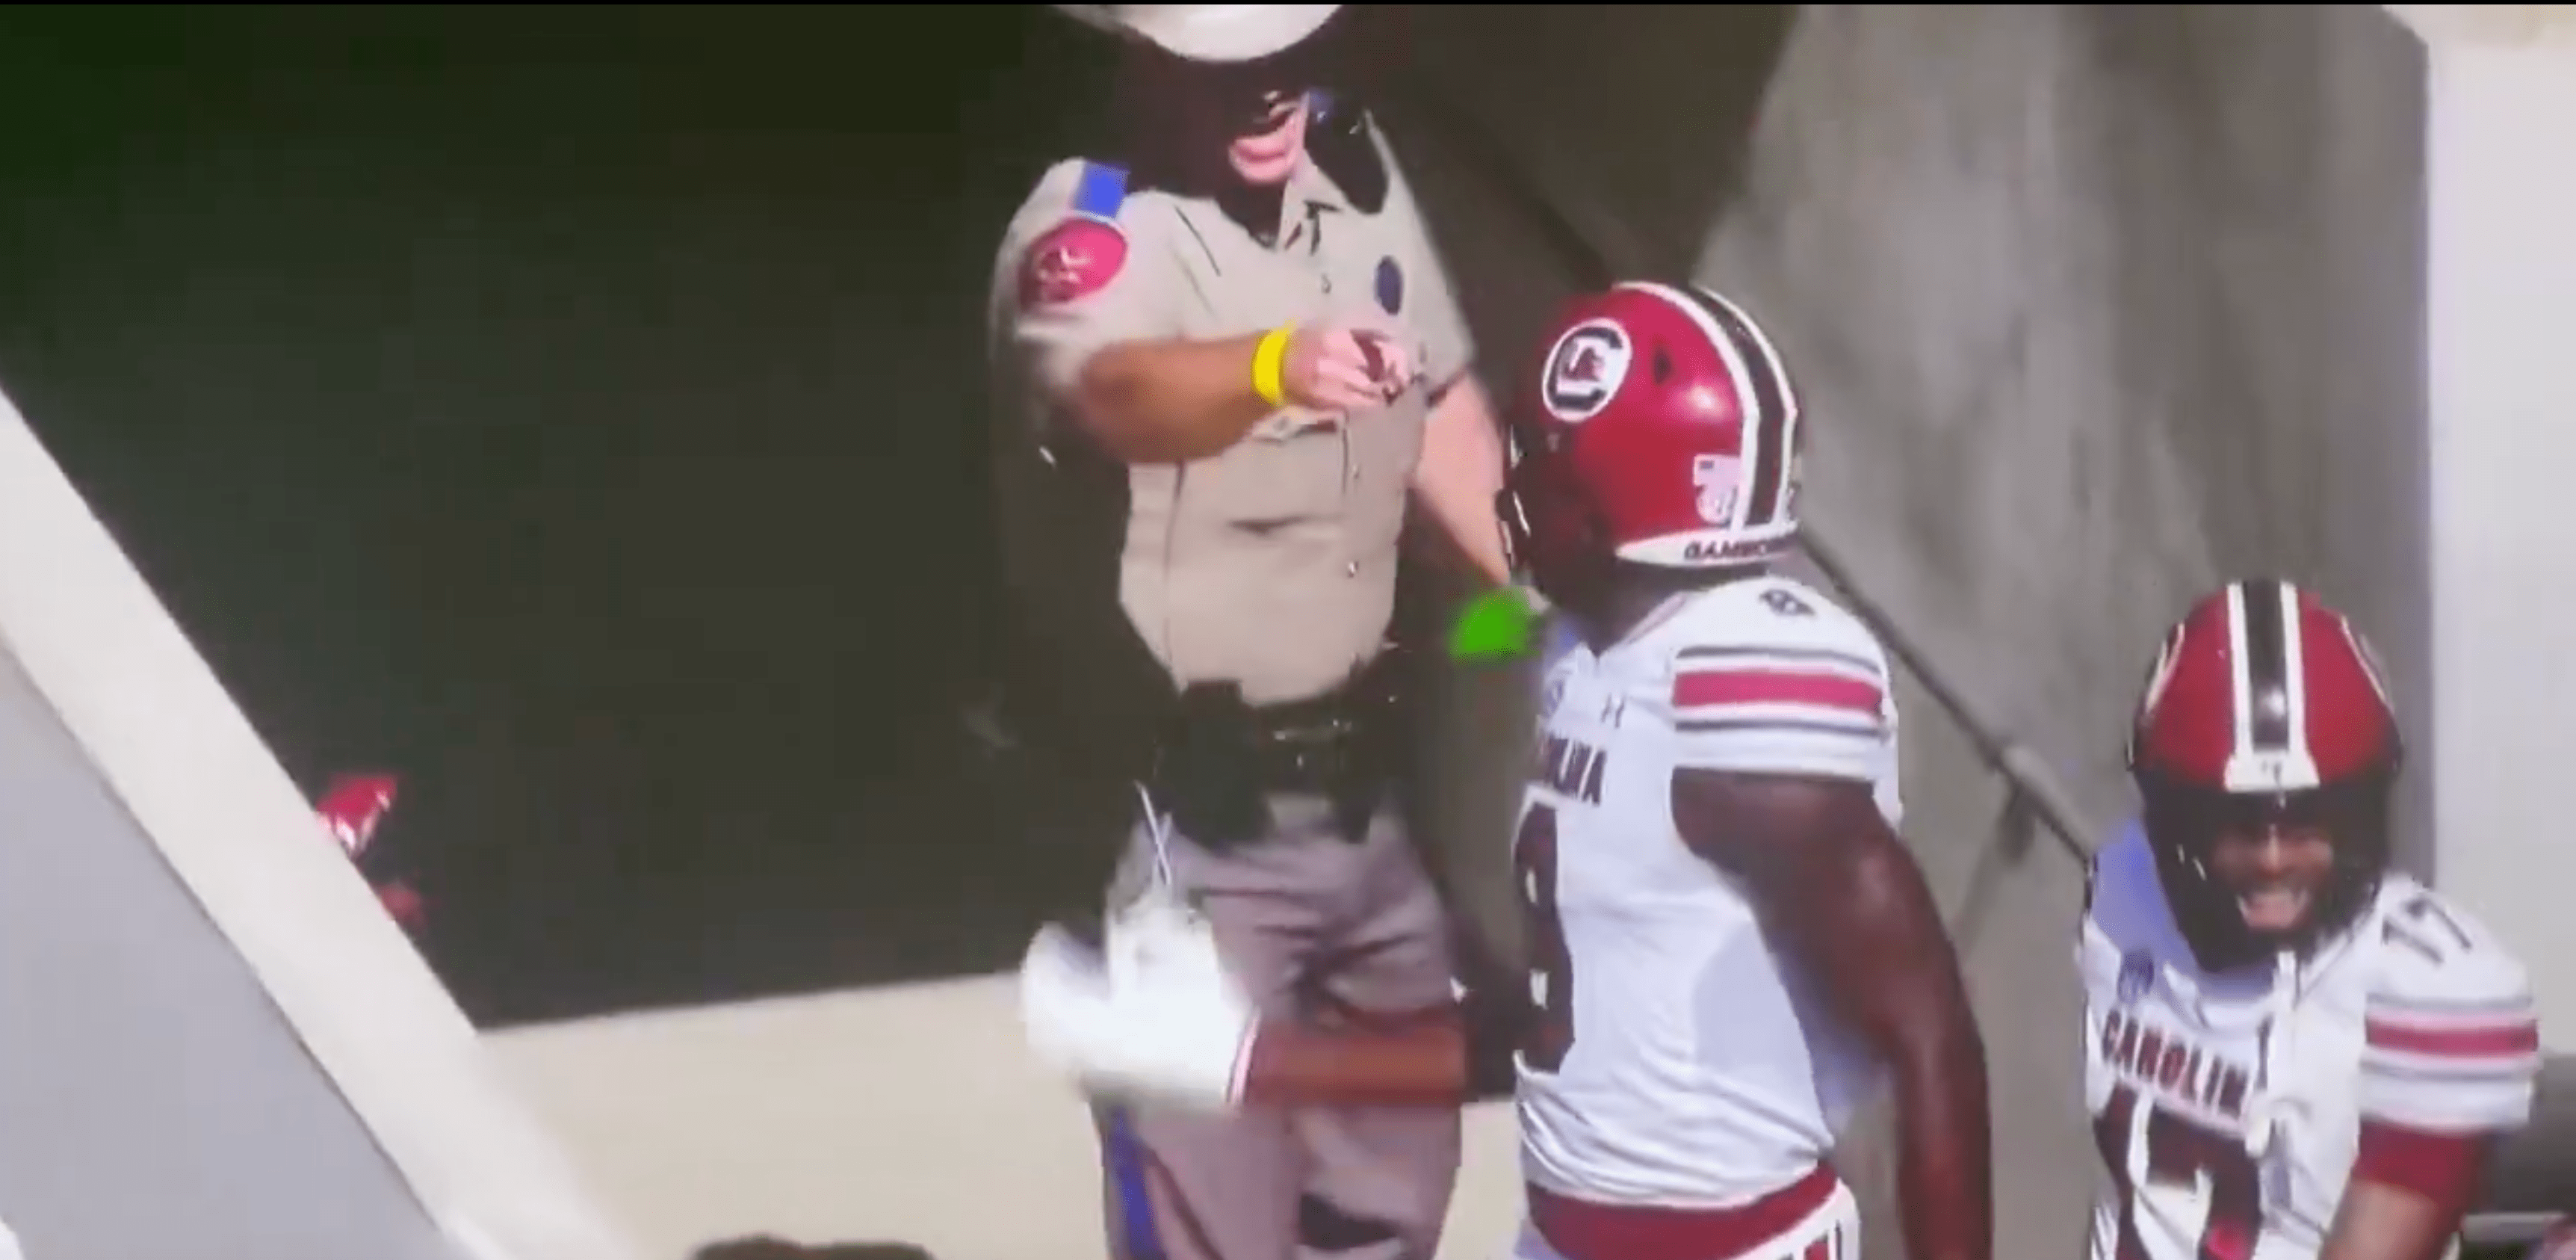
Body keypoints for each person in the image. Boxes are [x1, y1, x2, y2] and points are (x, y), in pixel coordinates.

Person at [1021, 280, 1997, 1260]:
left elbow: (1935, 1043)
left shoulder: (1743, 698)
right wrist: (1239, 1061)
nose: (1512, 486)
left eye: (1540, 465)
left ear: (1608, 507)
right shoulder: (1587, 646)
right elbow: (1552, 1034)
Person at [985, 6, 1516, 1260]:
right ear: (1144, 63)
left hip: (1365, 811)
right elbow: (1112, 390)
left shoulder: (1353, 172)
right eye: (1231, 68)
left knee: (1392, 1196)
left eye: (1289, 57)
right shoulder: (1091, 229)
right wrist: (1273, 366)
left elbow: (1438, 401)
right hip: (1190, 827)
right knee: (1208, 1217)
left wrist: (1549, 591)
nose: (1272, 92)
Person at [2085, 580, 2542, 1260]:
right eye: (2238, 823)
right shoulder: (2124, 886)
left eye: (2307, 819)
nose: (2273, 859)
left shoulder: (2437, 986)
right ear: (2177, 817)